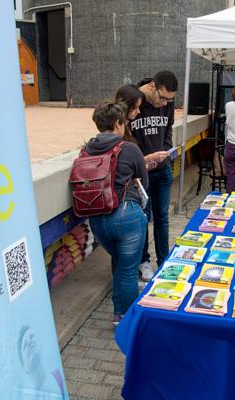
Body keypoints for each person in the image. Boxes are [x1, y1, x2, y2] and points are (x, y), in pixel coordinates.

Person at [85, 102, 149, 325]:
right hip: (126, 216)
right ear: (118, 123)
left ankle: (118, 313)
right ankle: (128, 319)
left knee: (121, 263)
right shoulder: (129, 148)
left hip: (97, 221)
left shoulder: (86, 150)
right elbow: (144, 181)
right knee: (129, 270)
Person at [130, 71, 178, 281]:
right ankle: (144, 262)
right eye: (163, 97)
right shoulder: (132, 102)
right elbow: (124, 137)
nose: (165, 103)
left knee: (162, 217)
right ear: (151, 86)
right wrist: (143, 161)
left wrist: (165, 152)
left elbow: (168, 130)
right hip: (142, 174)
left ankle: (164, 260)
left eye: (170, 99)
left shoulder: (167, 105)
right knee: (143, 219)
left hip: (163, 169)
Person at [115, 84, 169, 170]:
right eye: (135, 107)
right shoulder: (117, 129)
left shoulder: (126, 125)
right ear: (126, 105)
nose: (139, 111)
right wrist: (148, 158)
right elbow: (122, 165)